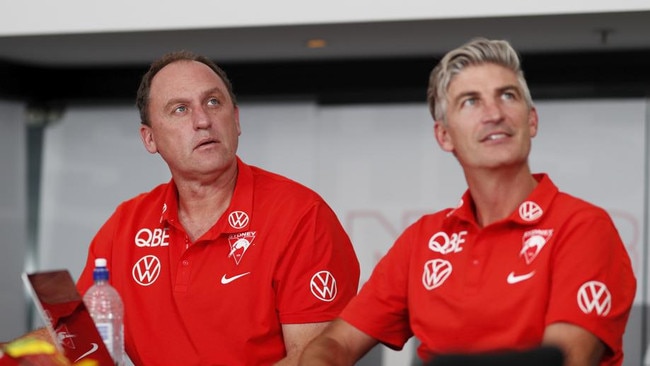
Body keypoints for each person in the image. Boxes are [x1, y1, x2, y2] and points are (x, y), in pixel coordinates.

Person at [298, 38, 636, 366]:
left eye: (507, 95)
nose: (494, 114)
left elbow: (565, 360)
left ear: (531, 120)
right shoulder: (423, 240)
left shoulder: (582, 226)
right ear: (444, 136)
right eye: (470, 101)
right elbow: (336, 343)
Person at [72, 51, 360, 365]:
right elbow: (77, 346)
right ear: (149, 138)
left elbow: (314, 360)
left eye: (213, 102)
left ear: (235, 120)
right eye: (180, 109)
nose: (203, 120)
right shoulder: (125, 226)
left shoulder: (302, 216)